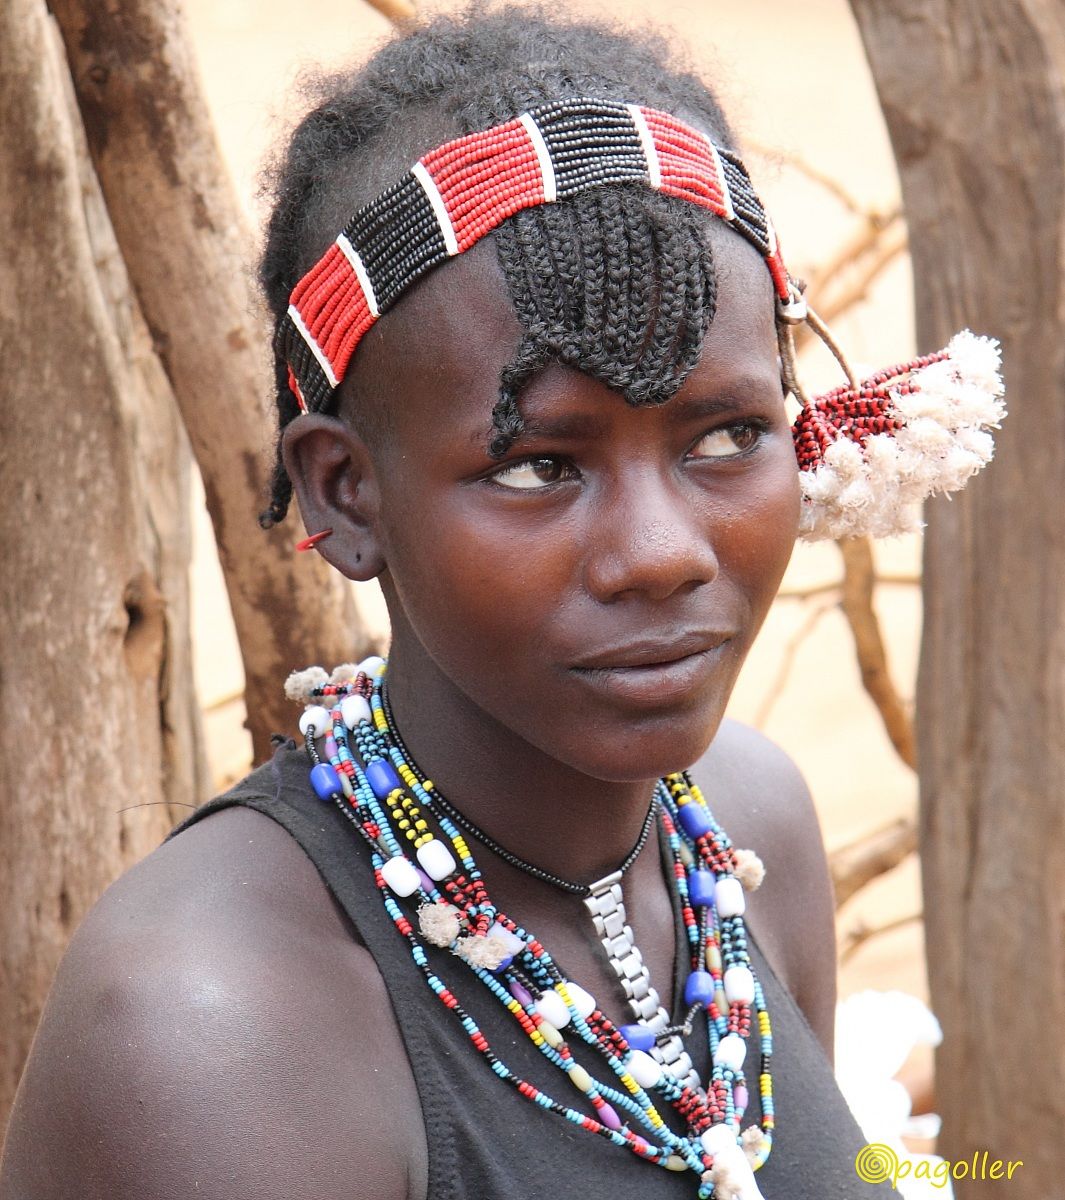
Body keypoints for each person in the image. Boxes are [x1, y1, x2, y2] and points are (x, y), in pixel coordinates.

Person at [0, 7, 1002, 1199]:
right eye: (539, 466)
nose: (662, 553)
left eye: (730, 435)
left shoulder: (746, 827)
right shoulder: (210, 1030)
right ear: (348, 495)